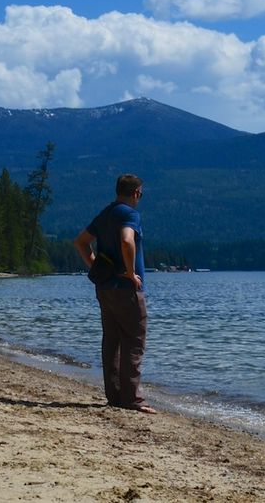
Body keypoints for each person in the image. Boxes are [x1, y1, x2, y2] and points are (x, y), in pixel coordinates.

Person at [73, 174, 156, 414]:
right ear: (136, 193)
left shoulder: (106, 213)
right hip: (126, 289)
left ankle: (115, 395)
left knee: (111, 340)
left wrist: (97, 267)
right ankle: (131, 399)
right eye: (141, 194)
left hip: (105, 287)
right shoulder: (130, 214)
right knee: (134, 340)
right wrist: (130, 273)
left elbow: (80, 243)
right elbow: (127, 241)